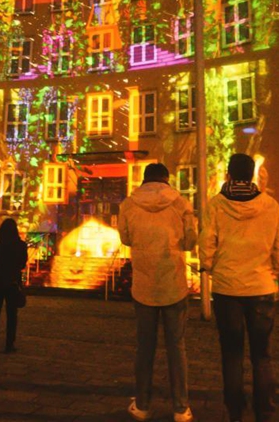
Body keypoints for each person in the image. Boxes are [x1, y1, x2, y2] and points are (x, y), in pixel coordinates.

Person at [198, 153, 279, 422]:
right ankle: (265, 411)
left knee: (232, 355)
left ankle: (235, 412)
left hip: (227, 289)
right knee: (262, 355)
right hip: (261, 288)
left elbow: (206, 245)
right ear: (252, 175)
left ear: (229, 174)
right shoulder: (270, 205)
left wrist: (210, 267)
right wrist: (272, 268)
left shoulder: (216, 205)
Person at [118, 163, 197, 422]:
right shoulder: (181, 204)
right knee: (177, 346)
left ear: (144, 179)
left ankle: (142, 405)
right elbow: (190, 241)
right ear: (166, 179)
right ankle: (180, 408)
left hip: (143, 284)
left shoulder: (128, 205)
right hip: (173, 283)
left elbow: (126, 238)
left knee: (144, 347)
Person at [0, 218, 27, 354]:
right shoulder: (21, 245)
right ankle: (9, 344)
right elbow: (22, 264)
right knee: (12, 315)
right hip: (13, 281)